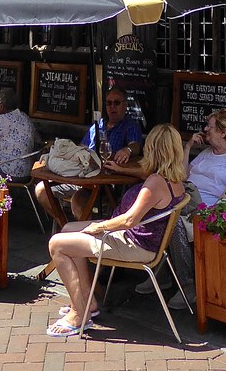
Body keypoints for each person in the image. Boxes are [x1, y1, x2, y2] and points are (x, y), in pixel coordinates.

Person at [45, 123, 186, 337]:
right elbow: (146, 180)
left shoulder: (155, 182)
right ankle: (88, 300)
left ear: (154, 150)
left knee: (57, 244)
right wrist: (122, 169)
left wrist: (98, 226)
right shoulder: (174, 179)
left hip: (133, 244)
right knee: (67, 229)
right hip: (142, 241)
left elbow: (129, 220)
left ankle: (78, 313)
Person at [130, 107, 226, 310]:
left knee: (173, 218)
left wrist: (207, 213)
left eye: (210, 127)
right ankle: (162, 270)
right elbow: (181, 175)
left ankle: (187, 285)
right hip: (187, 199)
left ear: (223, 132)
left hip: (207, 209)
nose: (205, 130)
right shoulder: (206, 153)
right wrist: (187, 147)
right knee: (160, 208)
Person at [34, 86, 144, 220]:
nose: (112, 107)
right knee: (41, 190)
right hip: (81, 176)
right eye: (109, 103)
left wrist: (128, 150)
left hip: (107, 184)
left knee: (78, 201)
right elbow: (81, 147)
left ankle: (87, 235)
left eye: (117, 103)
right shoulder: (98, 125)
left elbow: (135, 145)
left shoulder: (130, 125)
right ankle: (65, 224)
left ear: (125, 105)